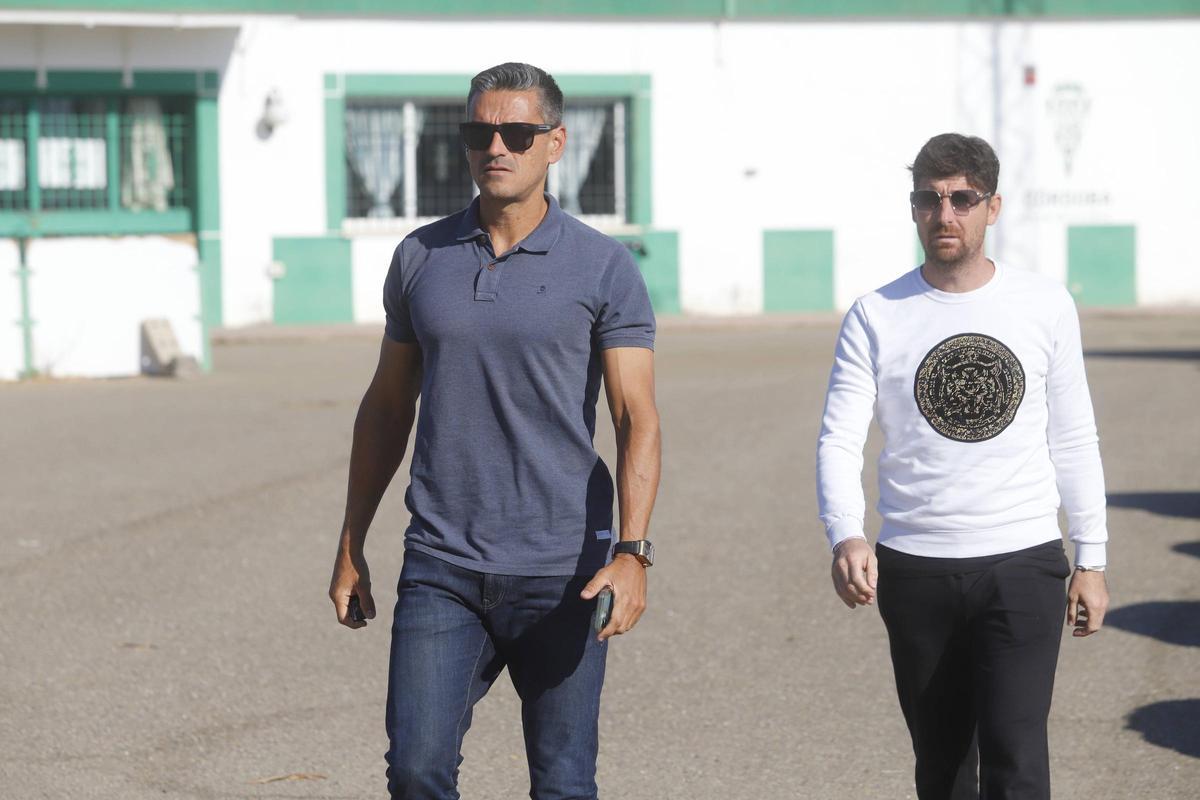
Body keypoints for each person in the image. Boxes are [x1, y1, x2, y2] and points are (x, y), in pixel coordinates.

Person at [328, 62, 661, 800]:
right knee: (416, 771)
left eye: (516, 131)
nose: (496, 147)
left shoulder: (604, 267)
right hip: (443, 565)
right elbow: (386, 407)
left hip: (565, 571)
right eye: (481, 132)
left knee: (564, 784)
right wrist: (352, 544)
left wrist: (633, 553)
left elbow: (635, 416)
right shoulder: (420, 256)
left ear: (556, 143)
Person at [815, 133, 1110, 800]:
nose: (943, 215)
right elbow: (839, 437)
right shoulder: (875, 315)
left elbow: (1074, 437)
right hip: (916, 568)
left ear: (992, 206)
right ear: (914, 207)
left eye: (961, 199)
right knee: (943, 769)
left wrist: (1091, 558)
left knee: (1017, 762)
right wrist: (846, 532)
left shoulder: (1044, 305)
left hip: (1022, 563)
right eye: (929, 199)